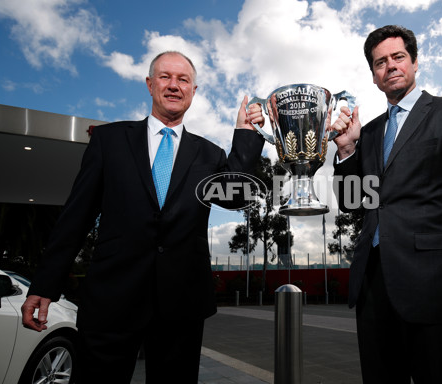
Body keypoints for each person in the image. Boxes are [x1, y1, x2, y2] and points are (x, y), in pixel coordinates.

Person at [21, 51, 265, 383]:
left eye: (183, 80)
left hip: (182, 304)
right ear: (150, 85)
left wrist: (245, 133)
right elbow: (76, 216)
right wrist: (45, 284)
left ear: (194, 91)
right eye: (165, 77)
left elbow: (237, 195)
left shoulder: (210, 154)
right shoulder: (109, 141)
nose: (174, 85)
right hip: (112, 300)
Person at [331, 25, 442, 383]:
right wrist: (347, 149)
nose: (390, 66)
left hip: (433, 287)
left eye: (398, 57)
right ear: (375, 77)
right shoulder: (370, 131)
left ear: (414, 63)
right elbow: (355, 204)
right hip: (373, 287)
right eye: (380, 62)